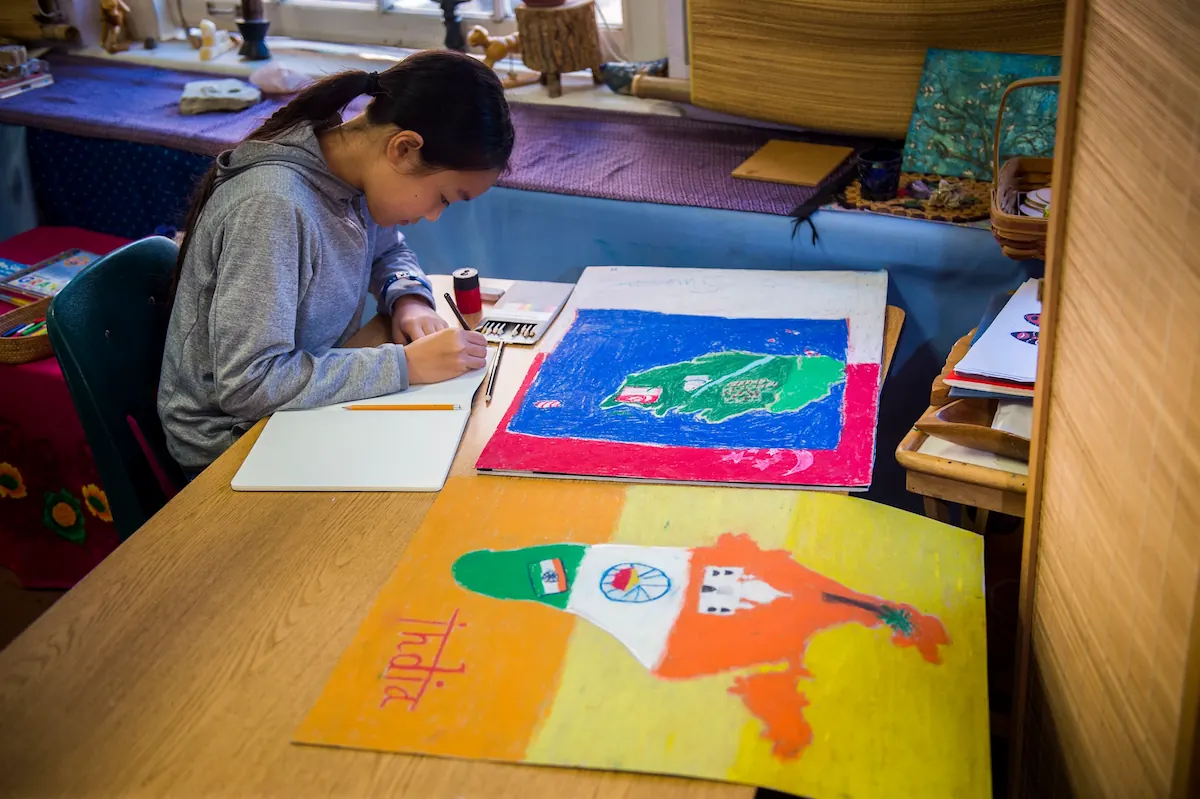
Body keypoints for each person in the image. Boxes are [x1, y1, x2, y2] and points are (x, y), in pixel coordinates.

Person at [158, 51, 512, 475]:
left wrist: (408, 298)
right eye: (443, 198)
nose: (434, 216)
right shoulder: (272, 206)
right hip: (232, 450)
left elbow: (389, 251)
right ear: (403, 148)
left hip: (290, 412)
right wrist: (405, 365)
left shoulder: (351, 173)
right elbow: (249, 383)